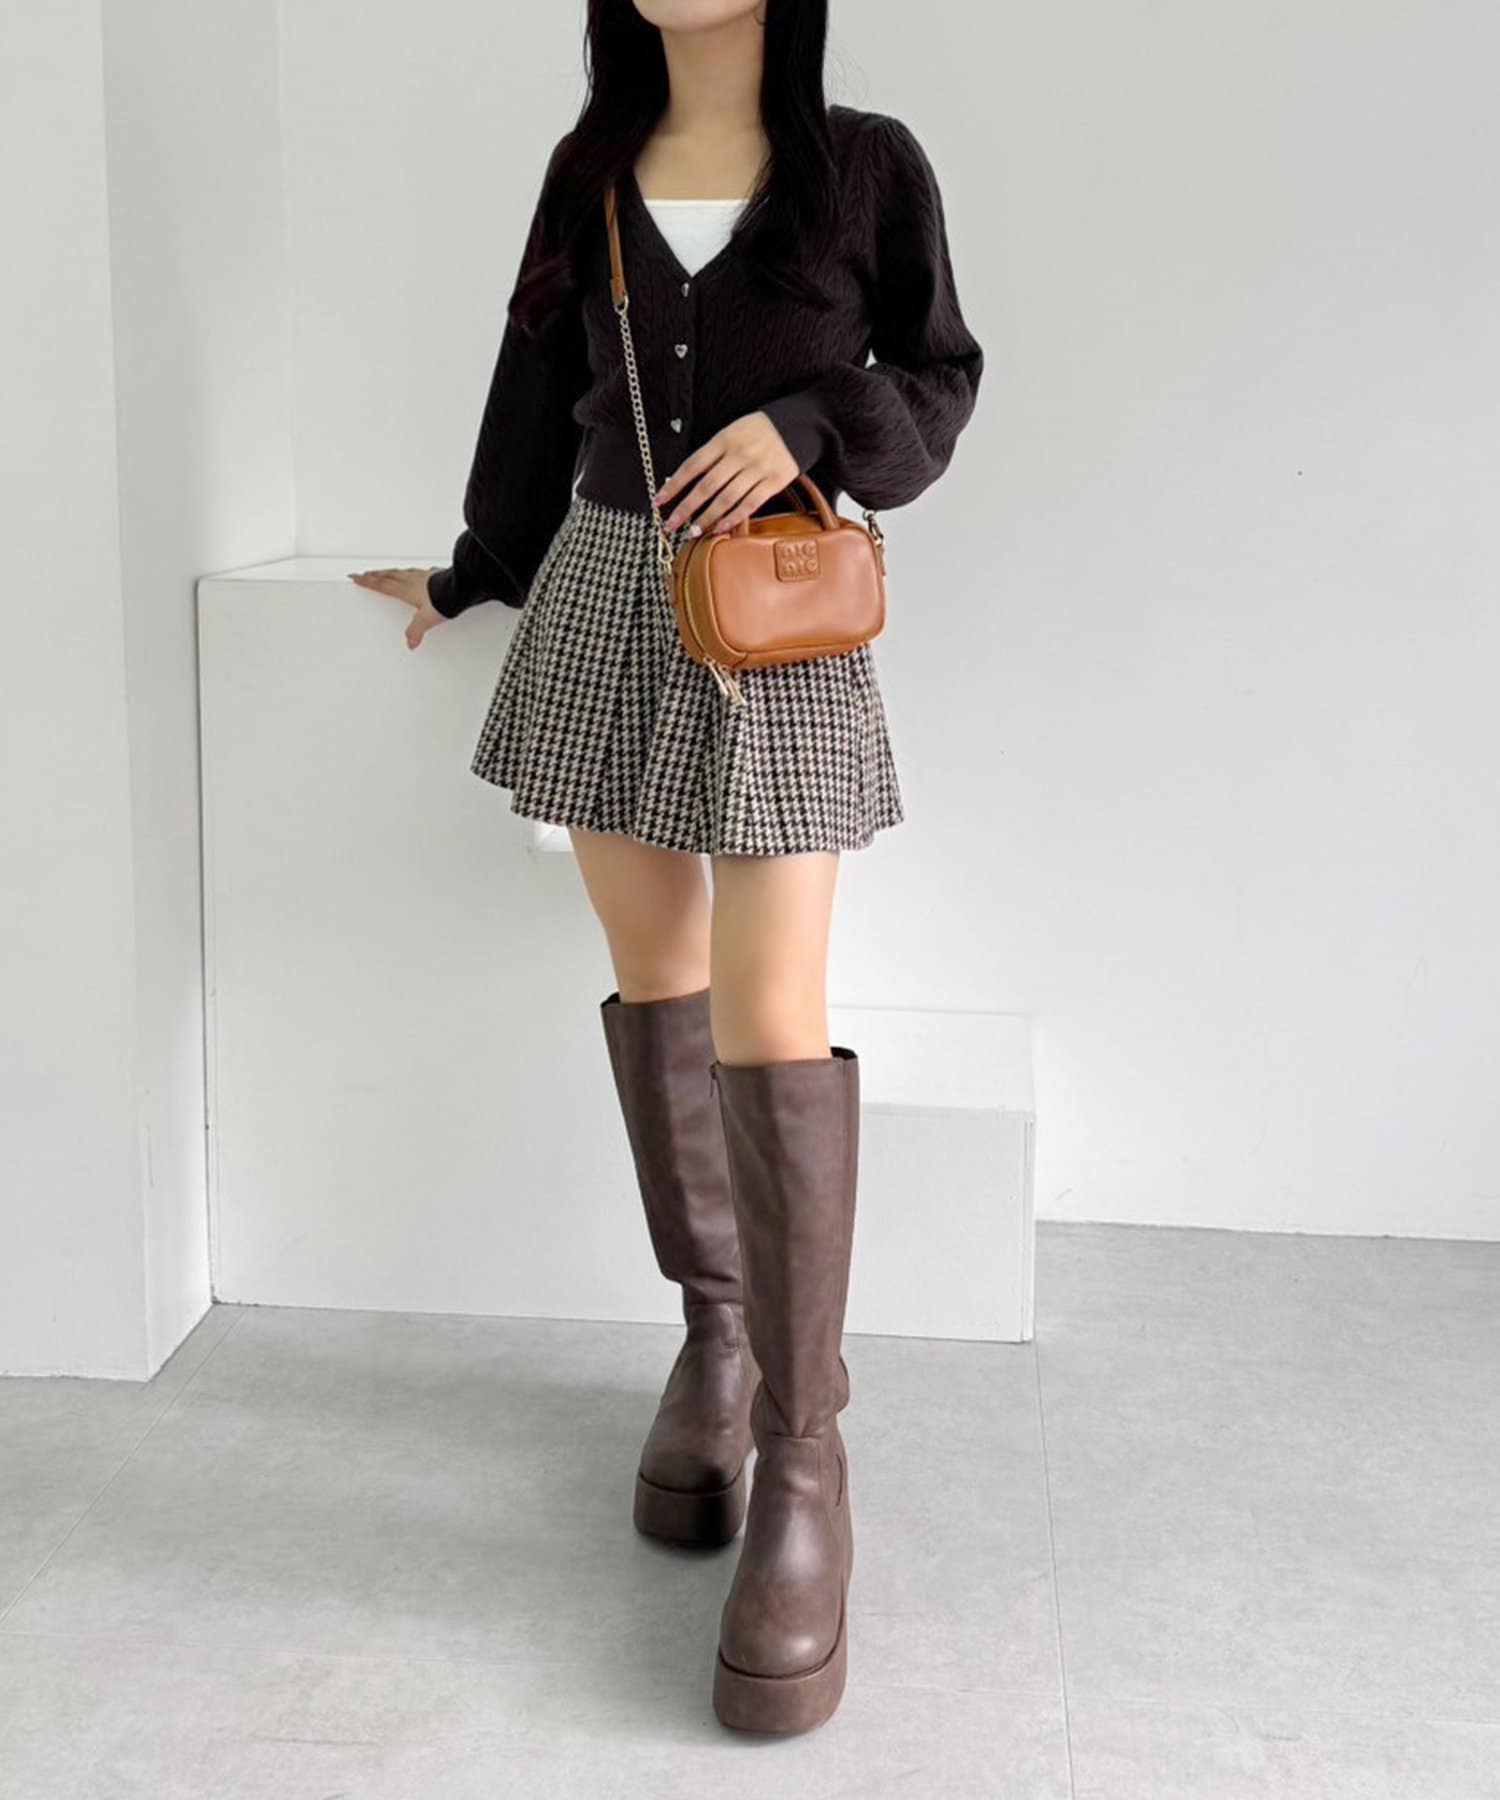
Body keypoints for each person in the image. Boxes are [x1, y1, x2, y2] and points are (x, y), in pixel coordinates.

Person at [351, 0, 982, 1736]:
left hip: (776, 611)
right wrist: (469, 574)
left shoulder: (866, 168)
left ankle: (805, 1454)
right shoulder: (591, 169)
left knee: (773, 1021)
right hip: (604, 605)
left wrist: (813, 425)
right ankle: (714, 1338)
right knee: (659, 989)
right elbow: (528, 397)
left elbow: (941, 378)